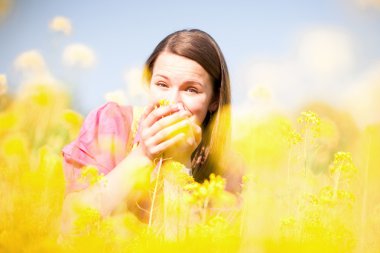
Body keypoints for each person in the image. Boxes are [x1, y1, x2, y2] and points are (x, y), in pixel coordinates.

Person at [61, 29, 242, 233]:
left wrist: (181, 164)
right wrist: (143, 154)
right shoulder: (113, 122)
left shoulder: (226, 169)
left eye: (191, 89)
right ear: (149, 84)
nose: (172, 102)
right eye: (162, 84)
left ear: (214, 100)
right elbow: (69, 225)